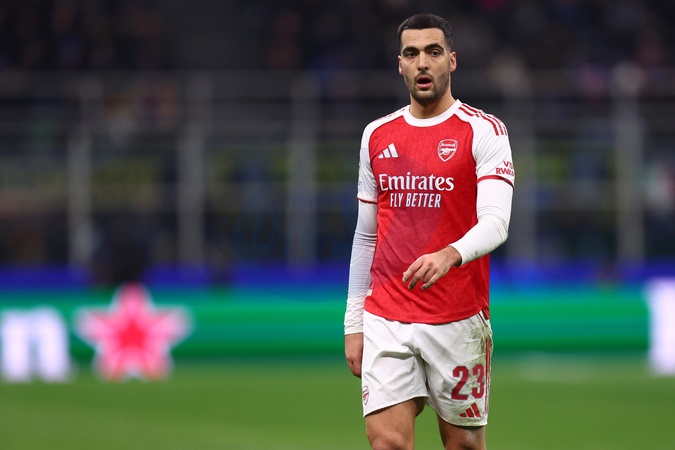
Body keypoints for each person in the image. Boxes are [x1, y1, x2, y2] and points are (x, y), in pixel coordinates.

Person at [344, 13, 515, 450]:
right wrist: (354, 322)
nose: (423, 62)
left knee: (463, 445)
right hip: (386, 315)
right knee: (387, 443)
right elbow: (366, 236)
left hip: (457, 318)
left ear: (452, 61)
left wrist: (449, 253)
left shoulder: (484, 131)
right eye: (412, 53)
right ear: (399, 64)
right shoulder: (376, 135)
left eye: (433, 52)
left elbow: (496, 222)